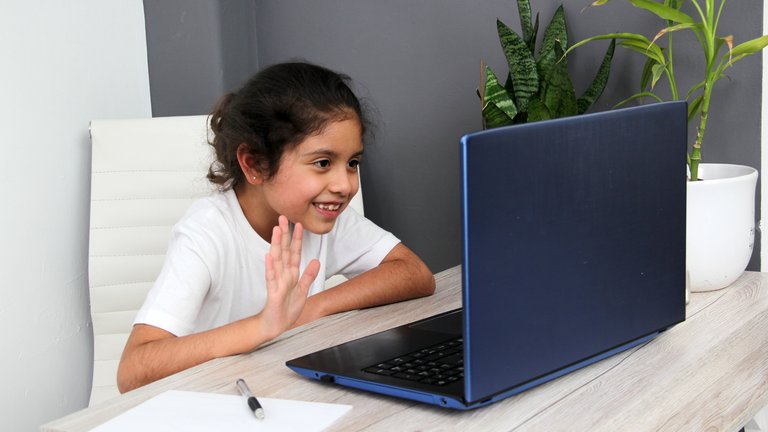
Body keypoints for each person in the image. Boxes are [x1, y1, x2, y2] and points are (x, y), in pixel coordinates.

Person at [116, 62, 436, 392]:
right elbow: (132, 370)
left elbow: (414, 273)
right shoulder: (206, 233)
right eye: (322, 163)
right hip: (214, 402)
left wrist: (311, 308)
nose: (344, 184)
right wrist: (263, 325)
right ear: (255, 164)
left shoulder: (321, 217)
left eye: (352, 163)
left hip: (283, 391)